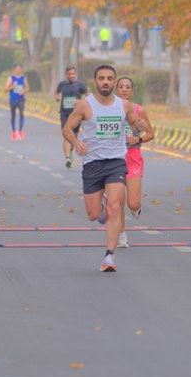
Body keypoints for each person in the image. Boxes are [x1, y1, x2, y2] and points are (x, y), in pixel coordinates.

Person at [62, 64, 146, 272]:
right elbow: (67, 128)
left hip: (116, 162)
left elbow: (135, 126)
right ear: (95, 82)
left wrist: (139, 128)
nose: (106, 82)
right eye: (102, 78)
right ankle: (101, 209)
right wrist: (76, 143)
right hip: (92, 163)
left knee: (115, 206)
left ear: (114, 82)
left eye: (109, 78)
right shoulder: (85, 105)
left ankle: (109, 256)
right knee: (93, 214)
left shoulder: (124, 105)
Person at [115, 77, 155, 248]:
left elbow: (151, 133)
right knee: (117, 200)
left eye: (127, 87)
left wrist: (138, 139)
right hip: (114, 159)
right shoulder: (109, 110)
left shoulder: (139, 110)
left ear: (132, 91)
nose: (124, 90)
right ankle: (121, 234)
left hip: (133, 158)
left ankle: (136, 208)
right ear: (117, 89)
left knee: (132, 203)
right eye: (121, 87)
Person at [54, 66, 88, 168]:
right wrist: (57, 97)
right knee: (66, 134)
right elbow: (56, 92)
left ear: (75, 74)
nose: (71, 76)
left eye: (73, 74)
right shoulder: (62, 84)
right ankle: (68, 158)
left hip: (76, 114)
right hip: (64, 113)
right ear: (66, 74)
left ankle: (71, 150)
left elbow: (89, 96)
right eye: (69, 74)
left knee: (74, 137)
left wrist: (80, 101)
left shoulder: (80, 85)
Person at [4, 64, 29, 141]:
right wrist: (12, 86)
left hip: (21, 99)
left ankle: (20, 131)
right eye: (16, 69)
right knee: (13, 116)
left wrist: (24, 91)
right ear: (14, 69)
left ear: (21, 69)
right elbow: (5, 89)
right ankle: (14, 132)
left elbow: (27, 87)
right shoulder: (11, 78)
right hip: (13, 99)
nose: (18, 70)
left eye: (19, 69)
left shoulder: (23, 78)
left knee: (21, 114)